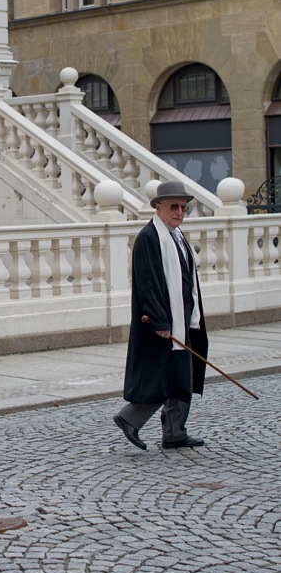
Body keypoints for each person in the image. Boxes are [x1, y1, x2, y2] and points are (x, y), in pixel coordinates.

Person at [113, 179, 208, 450]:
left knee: (182, 377)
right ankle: (129, 419)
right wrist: (161, 321)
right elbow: (148, 283)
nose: (179, 212)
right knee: (163, 378)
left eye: (183, 207)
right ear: (158, 207)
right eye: (173, 207)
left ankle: (175, 432)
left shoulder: (177, 236)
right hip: (161, 324)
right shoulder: (149, 238)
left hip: (183, 320)